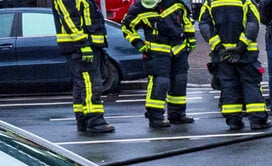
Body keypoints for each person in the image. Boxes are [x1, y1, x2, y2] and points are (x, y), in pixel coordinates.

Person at [197, 0, 272, 130]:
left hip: (223, 55)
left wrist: (219, 47)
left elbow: (204, 25)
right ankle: (258, 120)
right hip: (245, 53)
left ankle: (233, 121)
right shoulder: (246, 2)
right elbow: (253, 24)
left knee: (229, 86)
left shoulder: (210, 3)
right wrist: (241, 46)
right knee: (250, 84)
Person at [121, 0, 196, 128]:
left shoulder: (175, 3)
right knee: (160, 83)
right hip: (157, 51)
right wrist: (139, 44)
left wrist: (191, 40)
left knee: (179, 81)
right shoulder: (139, 7)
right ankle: (155, 117)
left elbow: (186, 21)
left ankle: (177, 114)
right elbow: (127, 27)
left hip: (178, 49)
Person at [52, 0, 115, 132]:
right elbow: (70, 18)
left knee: (82, 84)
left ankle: (83, 120)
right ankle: (95, 121)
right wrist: (83, 44)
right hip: (79, 47)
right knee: (90, 84)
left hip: (87, 46)